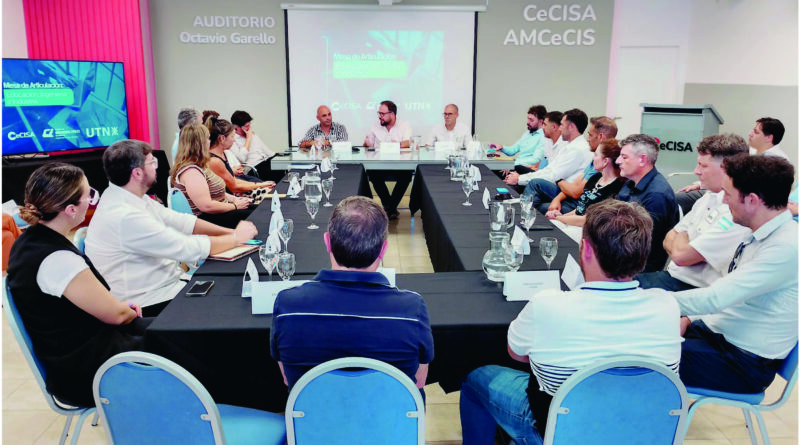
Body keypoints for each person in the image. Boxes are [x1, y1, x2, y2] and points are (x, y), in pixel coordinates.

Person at [459, 200, 682, 444]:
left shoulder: (547, 303)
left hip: (560, 433)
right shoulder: (668, 306)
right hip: (641, 432)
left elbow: (517, 354)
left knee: (476, 379)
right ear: (643, 254)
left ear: (585, 249)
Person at [6, 163, 150, 407]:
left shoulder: (29, 242)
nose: (92, 200)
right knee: (185, 343)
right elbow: (116, 315)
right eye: (89, 194)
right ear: (71, 209)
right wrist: (123, 310)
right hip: (89, 370)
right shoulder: (57, 259)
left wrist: (121, 310)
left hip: (75, 353)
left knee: (176, 332)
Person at [271, 196, 434, 390]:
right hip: (391, 419)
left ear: (327, 242)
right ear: (384, 250)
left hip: (314, 419)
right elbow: (419, 382)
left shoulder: (287, 304)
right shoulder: (412, 309)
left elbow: (288, 379)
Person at [86, 139, 259, 316]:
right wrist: (236, 239)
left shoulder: (129, 196)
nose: (156, 167)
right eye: (152, 162)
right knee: (234, 305)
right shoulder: (124, 216)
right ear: (137, 173)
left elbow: (183, 221)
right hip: (150, 301)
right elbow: (186, 248)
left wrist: (231, 233)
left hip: (167, 286)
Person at [673, 154, 797, 394]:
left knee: (642, 354)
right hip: (718, 335)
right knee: (639, 338)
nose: (724, 201)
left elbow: (716, 298)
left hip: (742, 361)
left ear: (751, 200)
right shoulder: (761, 231)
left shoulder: (786, 247)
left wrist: (644, 301)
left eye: (728, 194)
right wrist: (689, 318)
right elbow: (727, 296)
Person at [636, 134, 751, 291]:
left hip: (693, 288)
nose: (696, 171)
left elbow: (681, 256)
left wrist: (682, 239)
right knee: (611, 285)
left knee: (618, 293)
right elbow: (668, 239)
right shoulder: (708, 197)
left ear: (727, 168)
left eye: (703, 166)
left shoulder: (735, 213)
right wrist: (684, 246)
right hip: (672, 277)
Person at [676, 117, 789, 212]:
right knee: (678, 198)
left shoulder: (777, 162)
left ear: (769, 137)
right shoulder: (751, 152)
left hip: (738, 199)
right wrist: (700, 184)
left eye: (755, 132)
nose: (750, 133)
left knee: (678, 200)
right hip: (722, 192)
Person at [615, 133, 679, 272]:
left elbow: (638, 244)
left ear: (642, 160)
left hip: (636, 267)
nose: (618, 161)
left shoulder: (657, 195)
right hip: (621, 251)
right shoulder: (631, 183)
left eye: (624, 157)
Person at [527, 116, 617, 214]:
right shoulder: (595, 160)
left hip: (578, 205)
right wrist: (557, 199)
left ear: (601, 137)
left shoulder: (600, 165)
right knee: (539, 197)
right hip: (572, 199)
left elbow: (575, 192)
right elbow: (575, 184)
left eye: (590, 135)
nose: (587, 139)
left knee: (538, 194)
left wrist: (559, 180)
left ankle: (524, 218)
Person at [171, 123, 253, 228]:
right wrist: (235, 206)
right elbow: (206, 206)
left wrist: (235, 200)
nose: (210, 141)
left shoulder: (201, 165)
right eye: (207, 138)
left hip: (219, 212)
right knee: (259, 216)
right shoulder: (191, 172)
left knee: (259, 209)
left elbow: (218, 193)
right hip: (208, 220)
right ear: (199, 143)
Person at [504, 109, 592, 196]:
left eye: (561, 125)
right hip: (559, 186)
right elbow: (549, 170)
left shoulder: (576, 149)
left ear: (571, 127)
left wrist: (519, 179)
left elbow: (553, 176)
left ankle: (521, 206)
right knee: (520, 183)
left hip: (564, 192)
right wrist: (520, 178)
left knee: (534, 183)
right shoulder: (571, 146)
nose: (560, 129)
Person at [546, 138, 625, 226]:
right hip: (574, 224)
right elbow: (580, 209)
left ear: (605, 161)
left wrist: (558, 218)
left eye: (596, 155)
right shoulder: (595, 178)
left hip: (587, 230)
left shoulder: (615, 188)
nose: (593, 158)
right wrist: (561, 216)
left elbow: (586, 219)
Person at [364, 100, 414, 219]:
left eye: (382, 114)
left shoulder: (404, 125)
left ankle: (388, 208)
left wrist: (395, 145)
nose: (379, 116)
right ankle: (390, 208)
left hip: (400, 164)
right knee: (373, 174)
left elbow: (408, 142)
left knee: (406, 175)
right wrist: (366, 143)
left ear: (392, 114)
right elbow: (368, 144)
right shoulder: (375, 126)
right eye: (379, 113)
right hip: (380, 164)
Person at [206, 116, 275, 194]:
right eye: (232, 136)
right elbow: (234, 187)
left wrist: (261, 184)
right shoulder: (215, 161)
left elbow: (234, 180)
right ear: (222, 139)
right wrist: (261, 185)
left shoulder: (223, 154)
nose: (234, 140)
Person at [493, 105, 546, 174]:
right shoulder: (527, 133)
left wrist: (512, 164)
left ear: (540, 121)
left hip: (525, 168)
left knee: (494, 171)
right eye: (528, 119)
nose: (528, 122)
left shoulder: (544, 136)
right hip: (517, 165)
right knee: (493, 167)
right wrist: (502, 147)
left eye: (531, 120)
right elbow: (513, 150)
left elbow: (536, 159)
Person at [229, 110, 278, 179]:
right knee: (279, 174)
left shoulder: (252, 134)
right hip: (253, 168)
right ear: (237, 127)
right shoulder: (233, 140)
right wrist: (248, 138)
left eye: (249, 125)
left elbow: (267, 151)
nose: (249, 128)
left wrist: (278, 156)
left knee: (284, 166)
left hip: (265, 161)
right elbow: (242, 159)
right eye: (247, 126)